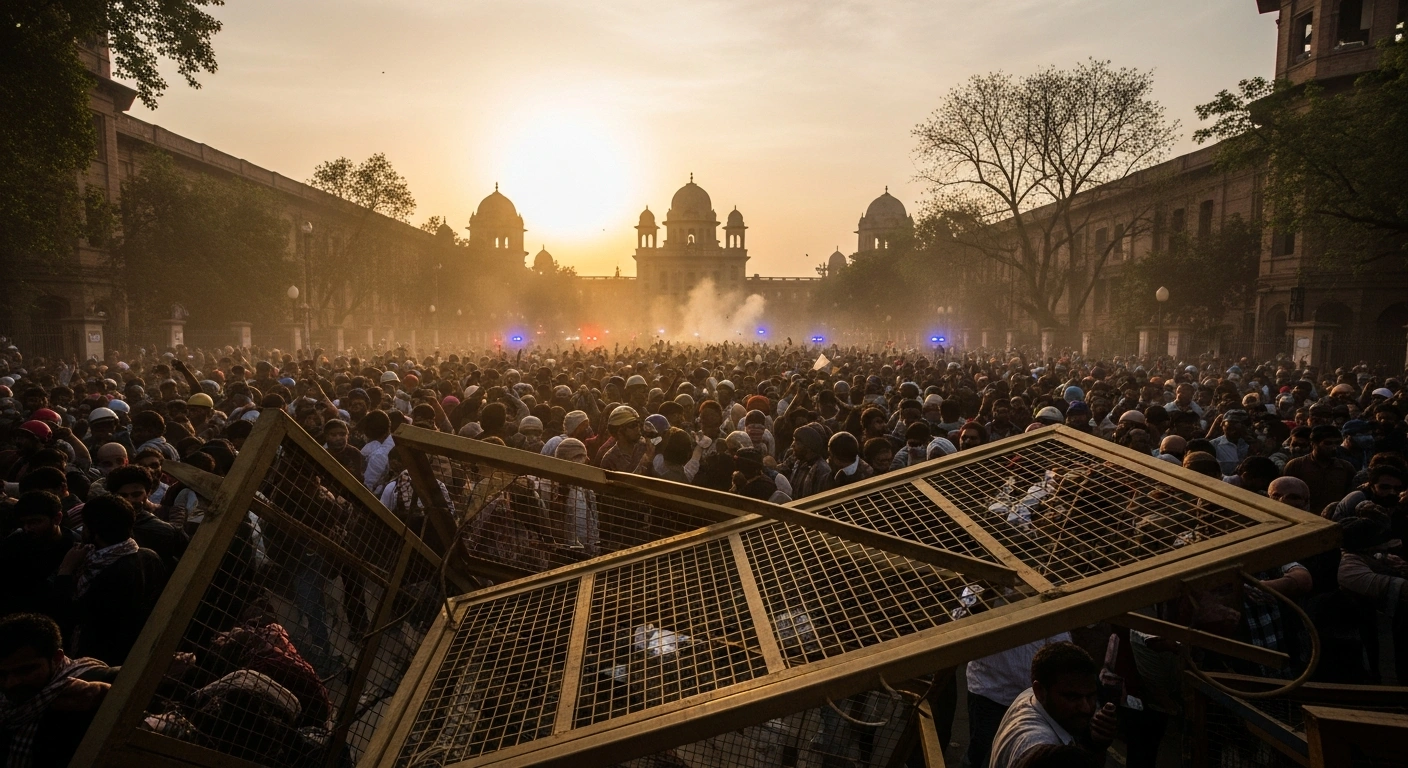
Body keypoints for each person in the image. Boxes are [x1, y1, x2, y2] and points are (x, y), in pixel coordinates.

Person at [53, 495, 169, 665]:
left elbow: (73, 614)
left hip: (104, 659)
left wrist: (65, 571)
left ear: (95, 533)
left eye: (85, 525)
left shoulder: (112, 573)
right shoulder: (148, 556)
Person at [0, 613, 116, 768]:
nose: (11, 683)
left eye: (25, 671)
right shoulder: (6, 701)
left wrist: (109, 694)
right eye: (2, 674)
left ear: (57, 658)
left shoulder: (92, 681)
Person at [989, 641, 1118, 768]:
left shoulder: (1031, 697)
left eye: (1091, 696)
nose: (1086, 708)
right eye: (1072, 697)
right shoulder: (1038, 746)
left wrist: (1096, 744)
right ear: (1039, 691)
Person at [1284, 424, 1357, 516]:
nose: (1334, 447)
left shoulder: (1346, 468)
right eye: (1328, 443)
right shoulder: (1296, 465)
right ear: (1313, 444)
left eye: (1337, 443)